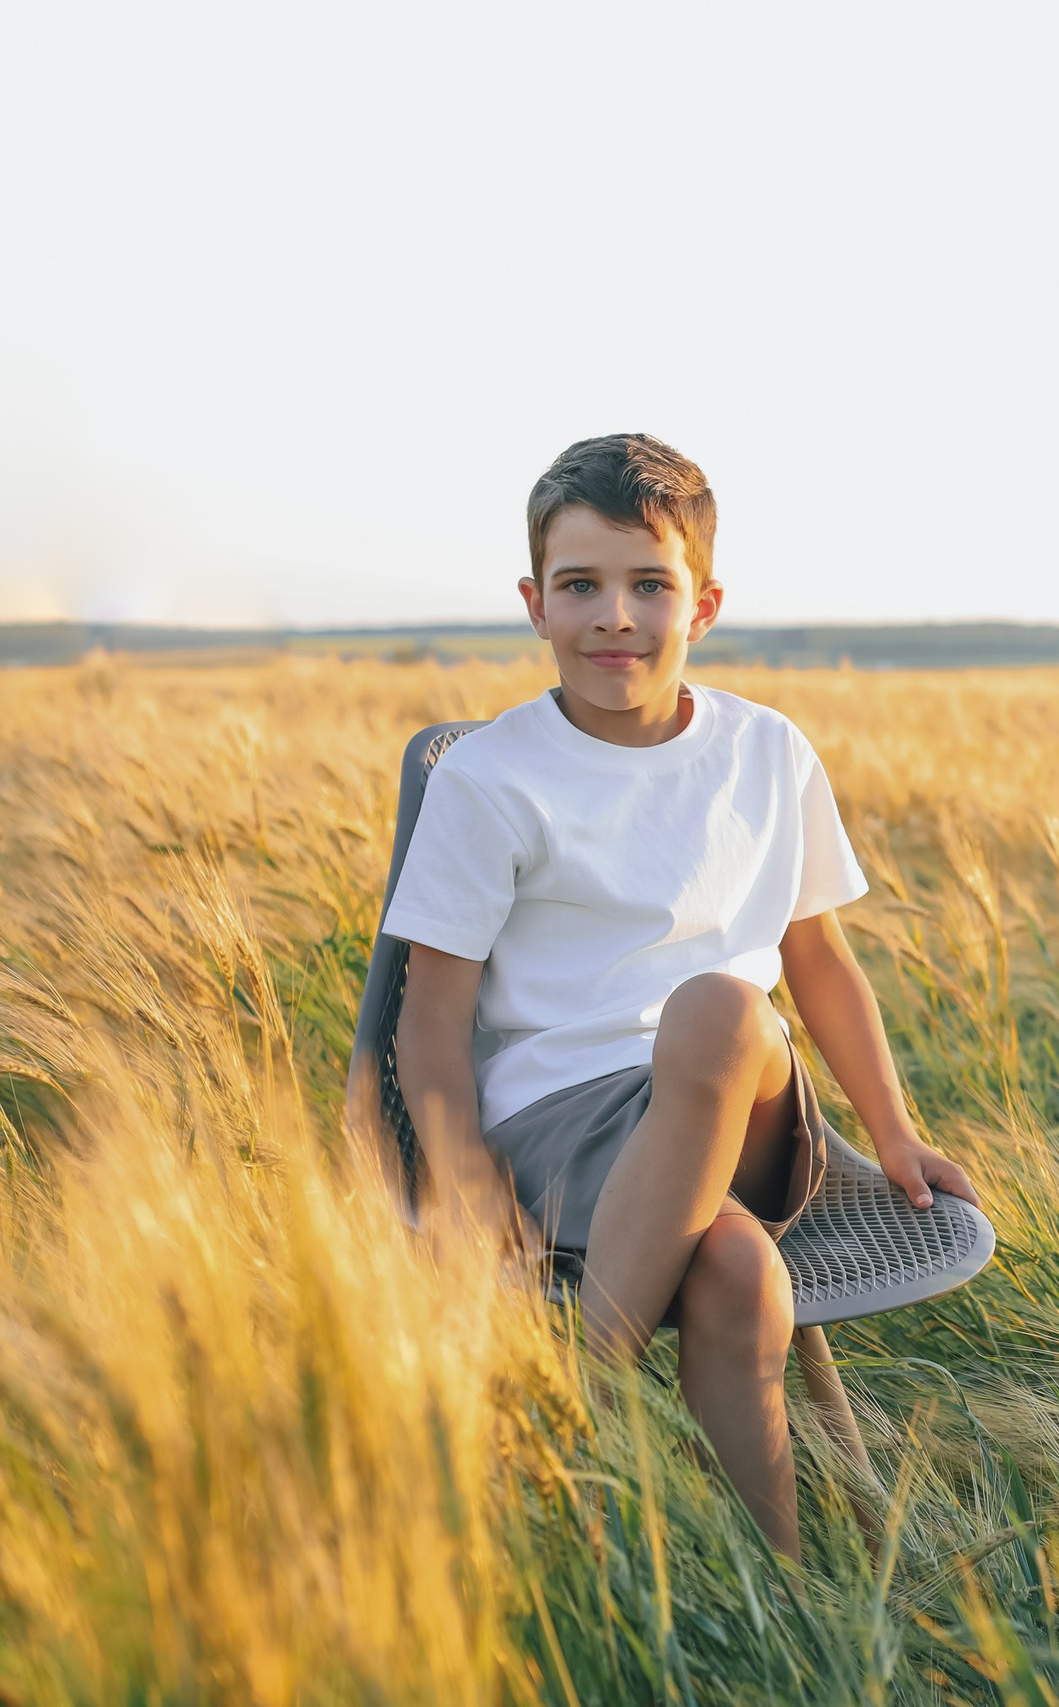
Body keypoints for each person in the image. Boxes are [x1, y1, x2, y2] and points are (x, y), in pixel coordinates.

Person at [383, 433, 977, 1560]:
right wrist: (462, 1180)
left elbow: (820, 963)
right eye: (581, 586)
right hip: (563, 1135)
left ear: (700, 605)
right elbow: (431, 1016)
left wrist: (895, 1133)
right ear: (534, 603)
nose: (615, 614)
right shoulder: (492, 777)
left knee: (720, 1012)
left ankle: (575, 1397)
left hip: (746, 1109)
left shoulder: (767, 750)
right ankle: (784, 1593)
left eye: (648, 584)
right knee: (740, 1267)